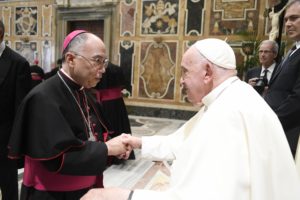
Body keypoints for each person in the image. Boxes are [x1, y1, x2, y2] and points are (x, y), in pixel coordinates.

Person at [81, 38, 300, 200]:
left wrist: (123, 196)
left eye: (185, 72)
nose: (181, 82)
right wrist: (139, 142)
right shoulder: (230, 97)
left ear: (207, 72)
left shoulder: (228, 114)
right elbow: (185, 142)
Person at [7, 30, 131, 200]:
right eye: (97, 61)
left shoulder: (85, 92)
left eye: (104, 62)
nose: (103, 69)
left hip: (86, 189)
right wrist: (106, 149)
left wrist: (112, 148)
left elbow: (90, 135)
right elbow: (57, 157)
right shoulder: (43, 97)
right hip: (53, 195)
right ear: (71, 59)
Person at [0, 19, 31, 200]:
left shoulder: (18, 63)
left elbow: (21, 108)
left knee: (9, 188)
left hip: (3, 141)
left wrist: (15, 144)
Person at [264, 0, 300, 157]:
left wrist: (272, 121)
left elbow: (297, 98)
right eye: (286, 20)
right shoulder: (293, 50)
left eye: (294, 18)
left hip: (289, 133)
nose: (288, 24)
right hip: (278, 132)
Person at [92, 61, 135, 164]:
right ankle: (123, 151)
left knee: (107, 127)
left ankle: (110, 155)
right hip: (117, 104)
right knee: (119, 126)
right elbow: (124, 84)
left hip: (103, 104)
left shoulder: (97, 69)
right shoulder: (117, 69)